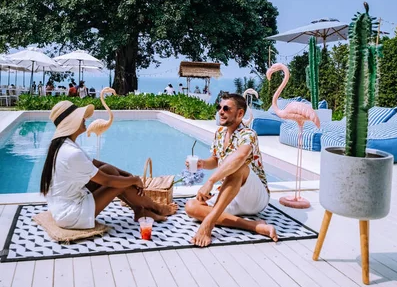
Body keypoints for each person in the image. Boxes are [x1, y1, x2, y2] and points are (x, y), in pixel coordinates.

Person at [40, 101, 178, 229]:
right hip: (71, 214)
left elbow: (97, 164)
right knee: (117, 183)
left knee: (110, 170)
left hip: (63, 205)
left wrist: (126, 174)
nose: (84, 119)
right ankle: (156, 208)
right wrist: (134, 180)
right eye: (80, 117)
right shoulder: (71, 153)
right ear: (71, 123)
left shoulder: (66, 145)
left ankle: (140, 210)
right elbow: (108, 181)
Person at [185, 93, 277, 247]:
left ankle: (209, 223)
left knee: (237, 168)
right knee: (191, 206)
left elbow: (239, 158)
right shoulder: (220, 133)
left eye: (226, 108)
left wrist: (210, 181)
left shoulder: (248, 134)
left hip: (254, 197)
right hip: (230, 194)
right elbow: (216, 160)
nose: (221, 111)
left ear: (240, 113)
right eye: (219, 107)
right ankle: (254, 226)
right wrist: (202, 163)